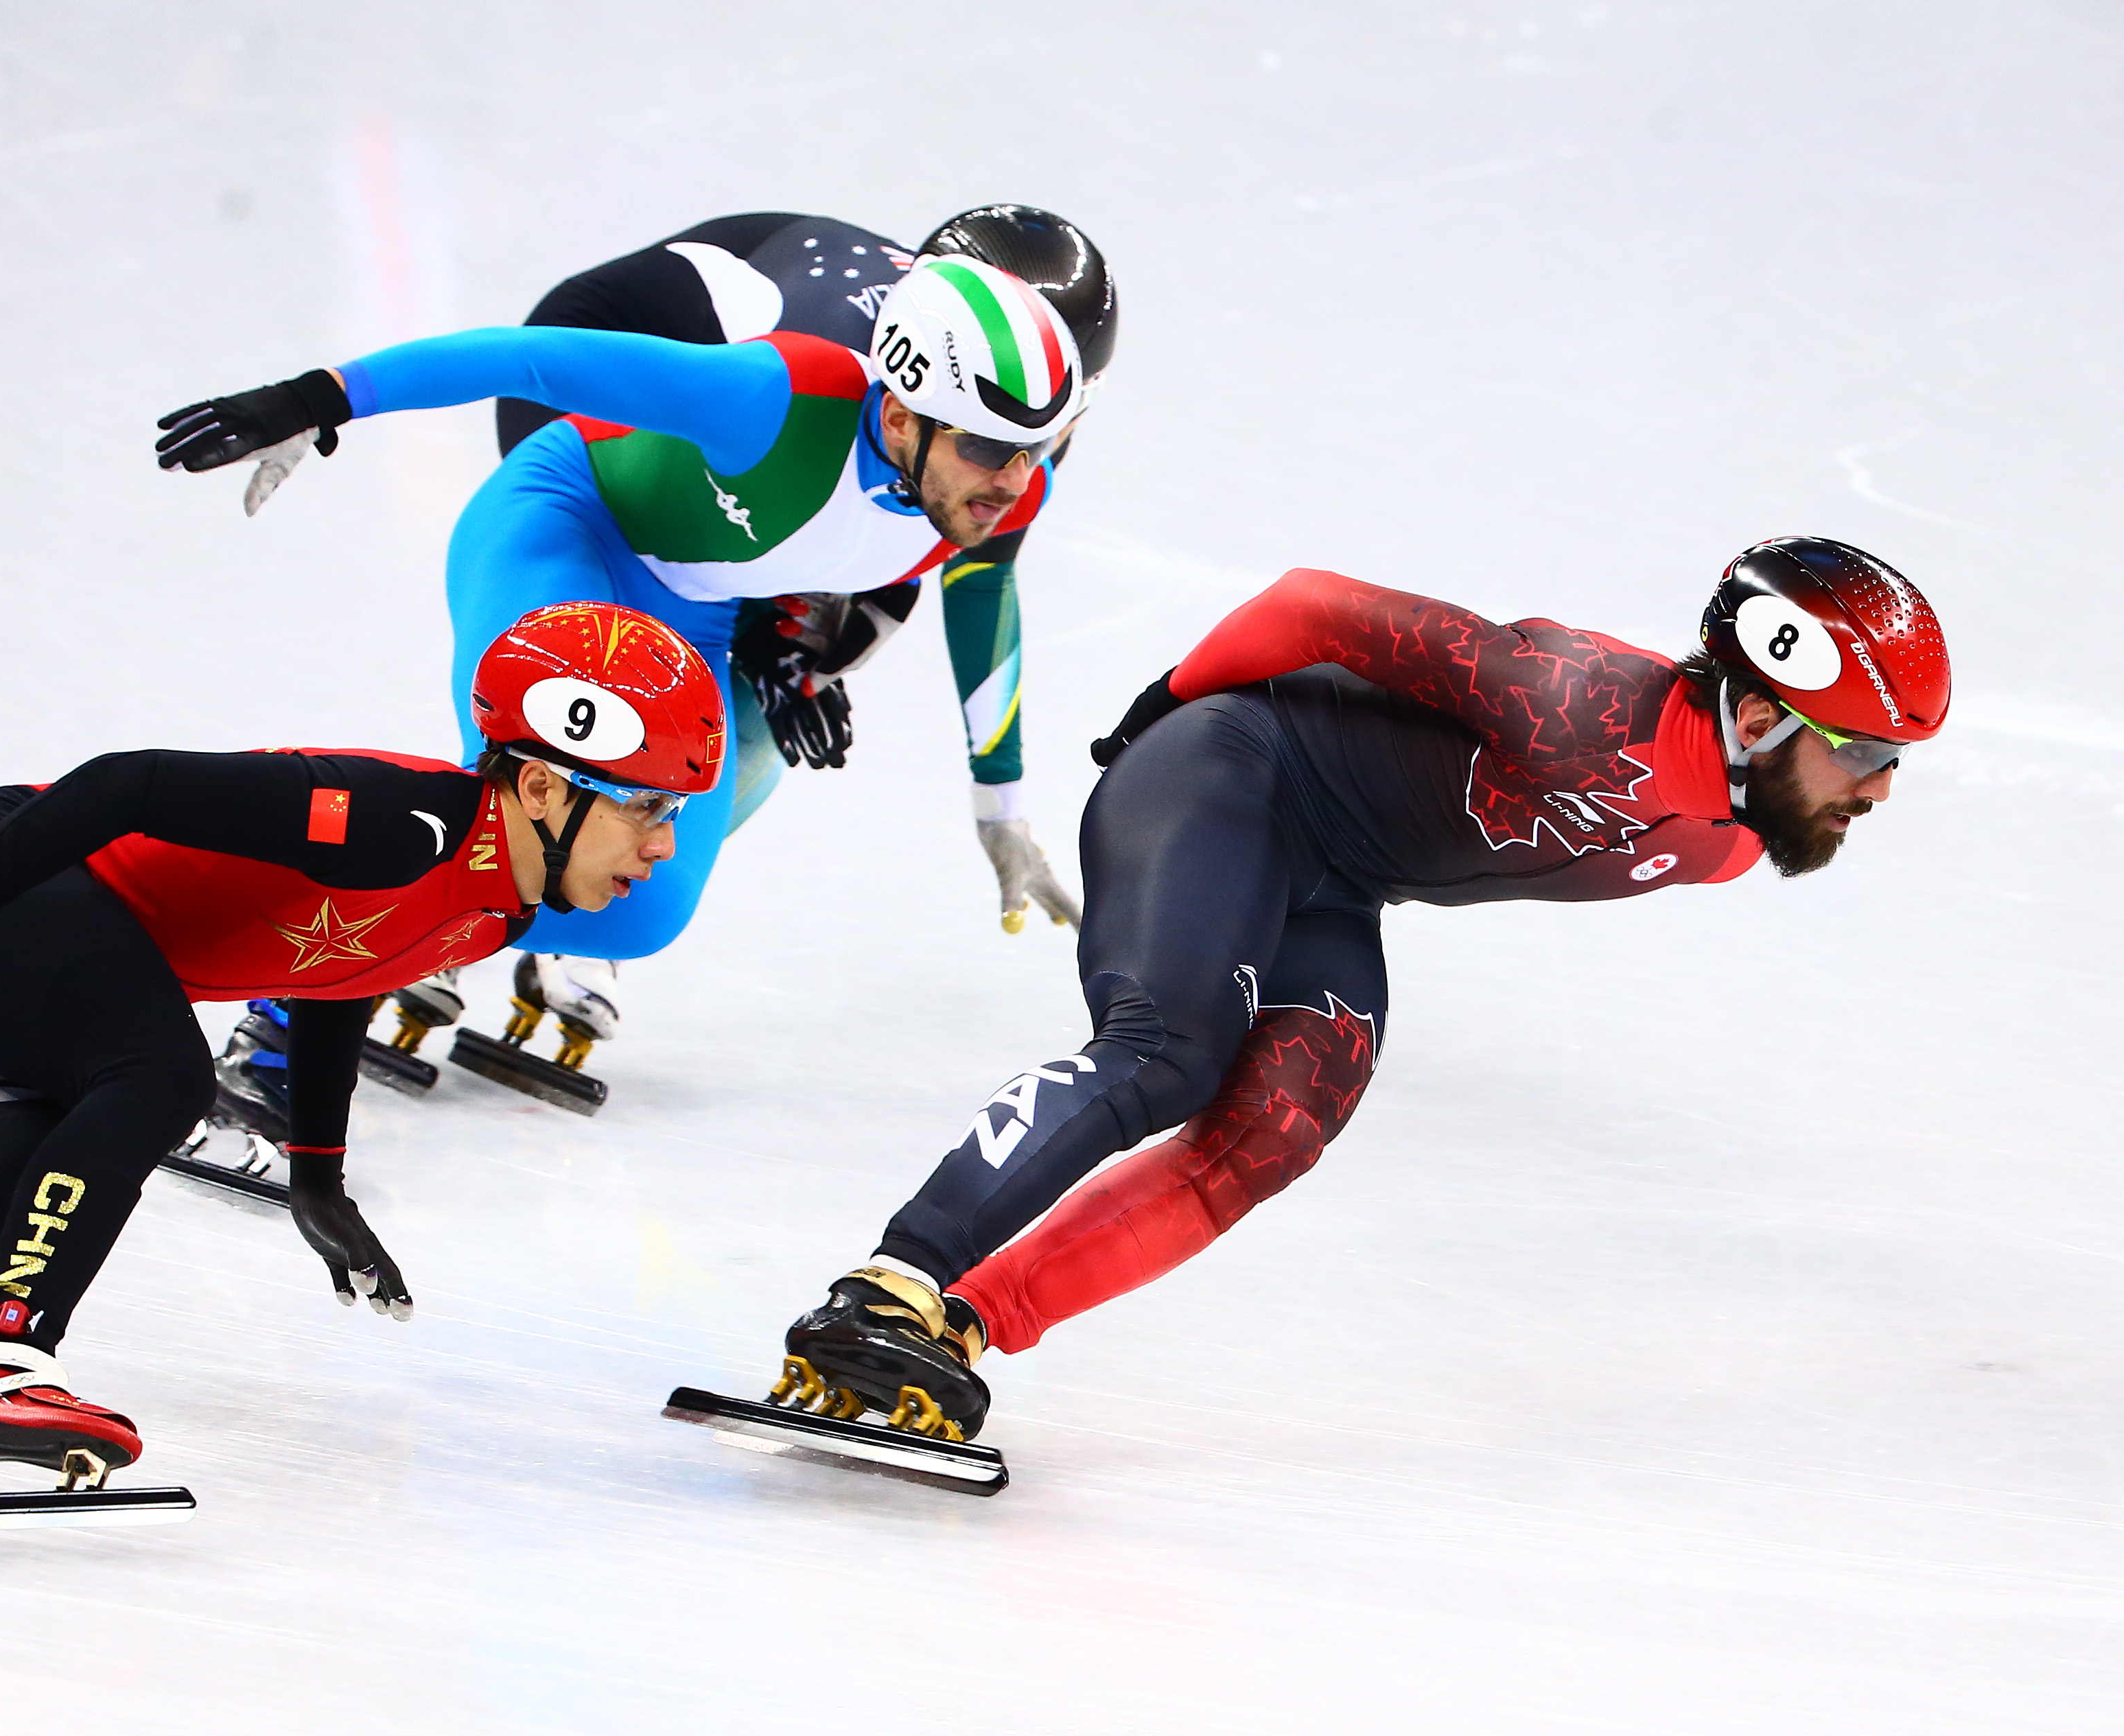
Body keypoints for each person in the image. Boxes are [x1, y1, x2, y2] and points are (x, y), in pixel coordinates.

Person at [758, 537, 1951, 1444]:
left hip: (1338, 878)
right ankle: (890, 1280)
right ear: (1756, 713)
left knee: (1280, 1122)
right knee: (1172, 1048)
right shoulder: (1576, 698)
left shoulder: (1731, 839)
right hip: (1228, 772)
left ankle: (957, 1322)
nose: (1882, 790)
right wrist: (1161, 715)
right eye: (1864, 753)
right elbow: (1313, 607)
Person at [0, 603, 720, 1510]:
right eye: (649, 811)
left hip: (33, 951)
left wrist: (319, 1181)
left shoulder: (492, 908)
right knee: (158, 1075)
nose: (663, 848)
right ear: (545, 783)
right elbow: (122, 787)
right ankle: (4, 1368)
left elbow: (335, 977)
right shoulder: (401, 821)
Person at [157, 231, 1098, 1078]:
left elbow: (988, 606)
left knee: (642, 906)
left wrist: (1000, 809)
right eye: (989, 447)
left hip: (693, 615)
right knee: (524, 814)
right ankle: (287, 1006)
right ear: (899, 419)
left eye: (1037, 447)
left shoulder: (1003, 488)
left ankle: (412, 931)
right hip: (566, 526)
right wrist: (320, 399)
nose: (1015, 481)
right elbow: (531, 358)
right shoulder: (778, 396)